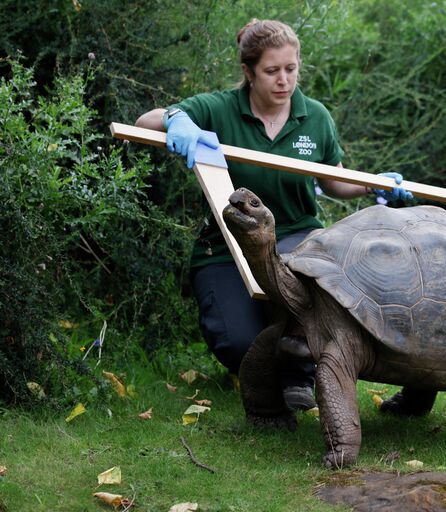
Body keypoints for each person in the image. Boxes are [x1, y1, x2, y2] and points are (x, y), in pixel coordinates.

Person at [135, 18, 412, 410]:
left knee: (312, 311)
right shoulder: (219, 108)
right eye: (271, 71)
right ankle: (262, 368)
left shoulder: (315, 117)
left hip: (300, 239)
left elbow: (333, 181)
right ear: (248, 72)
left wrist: (373, 184)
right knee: (238, 342)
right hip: (227, 245)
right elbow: (144, 123)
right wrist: (174, 119)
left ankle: (300, 376)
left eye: (291, 69)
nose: (283, 80)